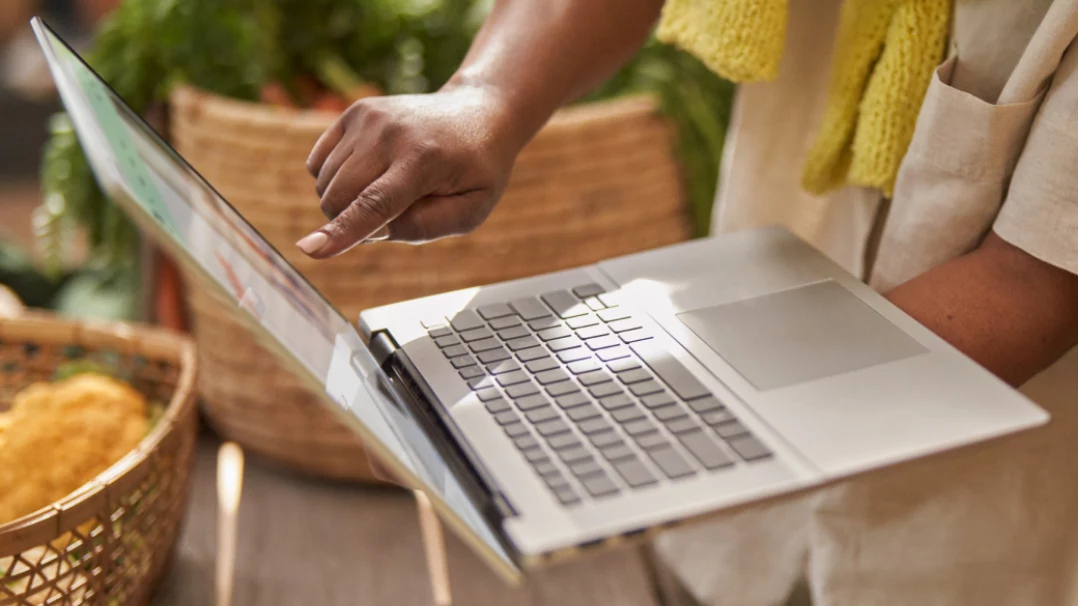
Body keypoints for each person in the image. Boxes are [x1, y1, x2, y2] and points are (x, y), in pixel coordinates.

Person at [301, 1, 1078, 604]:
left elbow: (1035, 283)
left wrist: (552, 421)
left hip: (984, 533)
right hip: (734, 528)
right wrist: (481, 98)